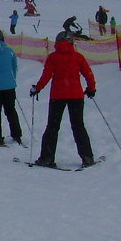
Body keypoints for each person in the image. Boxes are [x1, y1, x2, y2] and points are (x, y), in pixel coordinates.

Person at [29, 31, 96, 169]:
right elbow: (88, 74)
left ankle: (47, 158)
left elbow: (46, 75)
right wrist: (91, 89)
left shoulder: (53, 58)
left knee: (52, 127)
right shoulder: (78, 57)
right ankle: (87, 157)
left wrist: (38, 88)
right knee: (78, 127)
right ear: (72, 42)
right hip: (76, 96)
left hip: (58, 96)